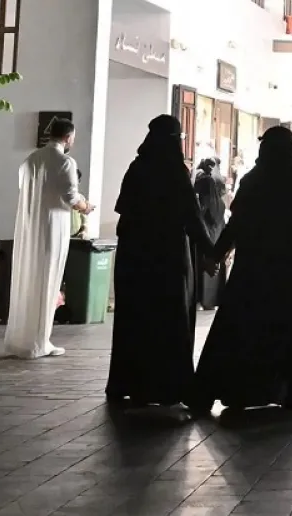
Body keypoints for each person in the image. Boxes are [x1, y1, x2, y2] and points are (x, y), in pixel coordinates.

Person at [192, 126, 292, 410]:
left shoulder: (252, 181)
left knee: (246, 329)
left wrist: (217, 254)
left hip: (255, 268)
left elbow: (236, 224)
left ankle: (243, 391)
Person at [106, 115, 214, 407]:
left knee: (135, 319)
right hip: (167, 258)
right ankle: (167, 385)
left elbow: (123, 211)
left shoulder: (137, 168)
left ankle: (129, 382)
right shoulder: (174, 171)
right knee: (169, 320)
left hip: (134, 258)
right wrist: (209, 251)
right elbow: (191, 216)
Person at [5, 118, 94, 360]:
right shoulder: (65, 162)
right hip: (52, 228)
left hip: (30, 227)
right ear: (68, 138)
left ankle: (19, 339)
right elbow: (70, 196)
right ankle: (39, 341)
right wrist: (85, 206)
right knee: (48, 279)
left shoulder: (30, 160)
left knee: (28, 278)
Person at [193, 158, 227, 310]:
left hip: (207, 236)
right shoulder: (220, 203)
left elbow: (197, 218)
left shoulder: (204, 202)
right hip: (217, 237)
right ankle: (213, 300)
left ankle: (203, 300)